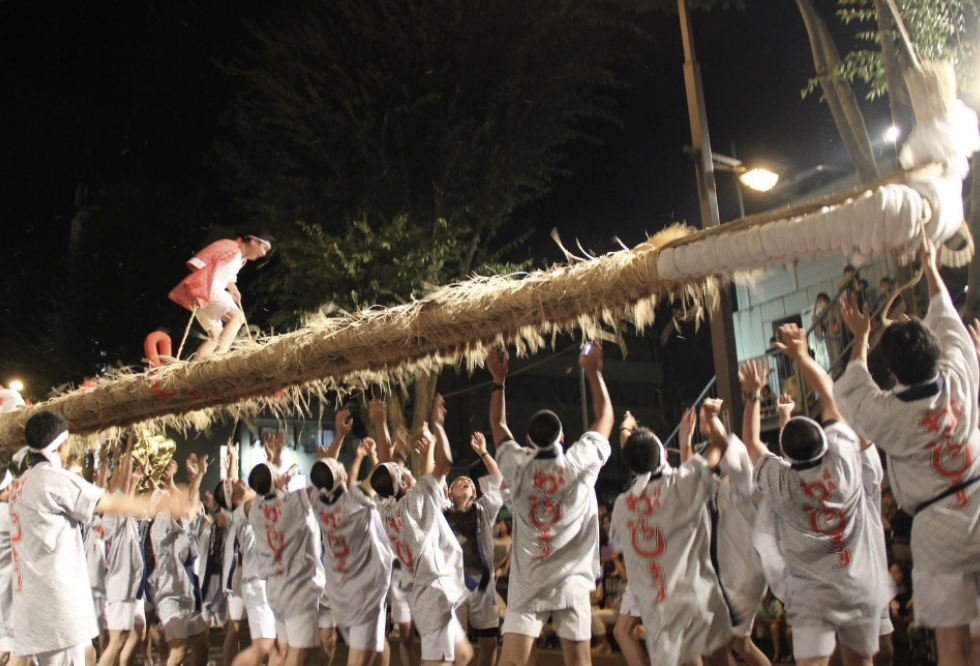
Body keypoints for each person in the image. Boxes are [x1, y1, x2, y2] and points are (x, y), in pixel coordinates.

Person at [835, 238, 980, 666]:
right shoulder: (958, 376)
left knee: (954, 648)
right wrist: (930, 265)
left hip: (938, 531)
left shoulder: (889, 415)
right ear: (935, 350)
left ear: (893, 372)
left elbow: (852, 389)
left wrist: (861, 338)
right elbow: (948, 317)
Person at [742, 323, 891, 666]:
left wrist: (753, 394)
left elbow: (751, 442)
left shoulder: (782, 484)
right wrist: (801, 354)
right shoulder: (843, 461)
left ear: (786, 457)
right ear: (825, 441)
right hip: (857, 586)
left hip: (811, 595)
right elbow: (831, 399)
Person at [8, 411, 170, 666]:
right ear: (61, 444)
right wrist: (174, 506)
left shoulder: (21, 483)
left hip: (32, 597)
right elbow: (106, 501)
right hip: (58, 600)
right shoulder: (53, 478)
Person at [487, 343, 614, 666]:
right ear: (563, 437)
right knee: (578, 663)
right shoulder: (580, 462)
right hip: (571, 582)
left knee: (512, 662)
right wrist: (592, 371)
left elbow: (498, 427)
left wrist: (498, 380)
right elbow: (605, 417)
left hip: (528, 582)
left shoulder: (517, 466)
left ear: (528, 441)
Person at [610, 400, 732, 666]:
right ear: (664, 453)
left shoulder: (622, 505)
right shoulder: (681, 483)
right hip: (699, 593)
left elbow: (632, 451)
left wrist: (626, 426)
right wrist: (710, 418)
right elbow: (720, 444)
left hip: (661, 603)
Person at [368, 395, 473, 666]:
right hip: (432, 591)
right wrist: (438, 426)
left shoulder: (386, 507)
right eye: (401, 472)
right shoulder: (415, 499)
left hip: (427, 588)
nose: (403, 469)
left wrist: (380, 425)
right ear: (402, 484)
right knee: (438, 662)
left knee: (463, 655)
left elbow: (384, 467)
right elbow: (446, 462)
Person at [311, 408, 394, 666]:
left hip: (341, 591)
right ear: (342, 477)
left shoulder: (317, 501)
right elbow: (386, 469)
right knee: (359, 660)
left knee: (378, 648)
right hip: (365, 592)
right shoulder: (355, 501)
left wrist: (339, 435)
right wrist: (380, 424)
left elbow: (326, 471)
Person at [247, 436, 326, 666]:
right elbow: (322, 484)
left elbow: (267, 487)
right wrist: (325, 460)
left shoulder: (256, 509)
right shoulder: (294, 502)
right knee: (298, 654)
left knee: (286, 650)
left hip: (276, 588)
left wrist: (273, 460)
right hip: (298, 588)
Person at [444, 432, 505, 666]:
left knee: (489, 643)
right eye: (458, 482)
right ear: (449, 494)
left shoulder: (483, 509)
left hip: (483, 584)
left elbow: (497, 478)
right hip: (455, 584)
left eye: (468, 481)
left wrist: (484, 453)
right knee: (454, 646)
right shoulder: (443, 513)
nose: (466, 481)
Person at [168, 233, 273, 359]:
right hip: (208, 290)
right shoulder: (230, 246)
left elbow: (227, 277)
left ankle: (194, 370)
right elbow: (199, 262)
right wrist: (198, 289)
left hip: (207, 293)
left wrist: (234, 289)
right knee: (237, 318)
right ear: (254, 241)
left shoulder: (241, 259)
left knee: (216, 336)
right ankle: (220, 356)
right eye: (264, 248)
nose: (263, 254)